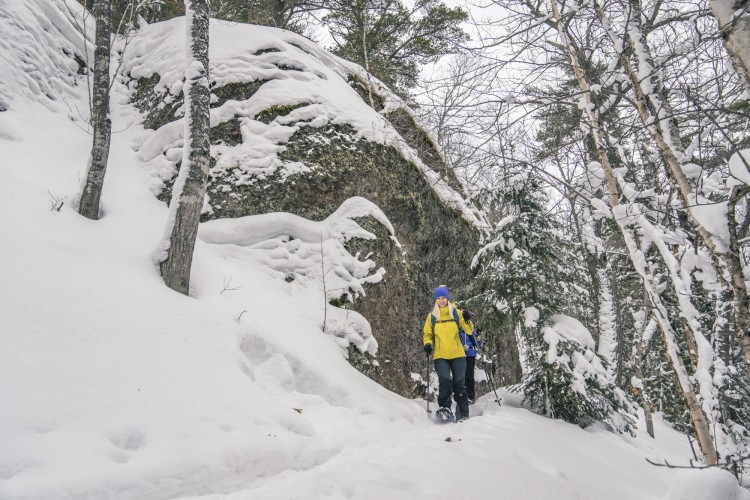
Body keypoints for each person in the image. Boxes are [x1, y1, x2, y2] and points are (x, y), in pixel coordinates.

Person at [423, 285, 474, 422]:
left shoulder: (456, 313)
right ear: (435, 300)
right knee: (445, 380)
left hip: (458, 354)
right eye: (438, 298)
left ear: (447, 298)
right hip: (440, 355)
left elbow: (469, 330)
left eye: (443, 298)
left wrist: (468, 319)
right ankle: (444, 409)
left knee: (459, 383)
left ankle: (463, 413)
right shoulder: (432, 316)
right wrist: (428, 344)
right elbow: (427, 334)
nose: (441, 301)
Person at [459, 310, 483, 404]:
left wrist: (479, 340)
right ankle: (462, 395)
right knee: (461, 376)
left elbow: (477, 343)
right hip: (459, 354)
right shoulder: (457, 328)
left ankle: (470, 396)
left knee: (469, 375)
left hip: (469, 354)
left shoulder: (470, 327)